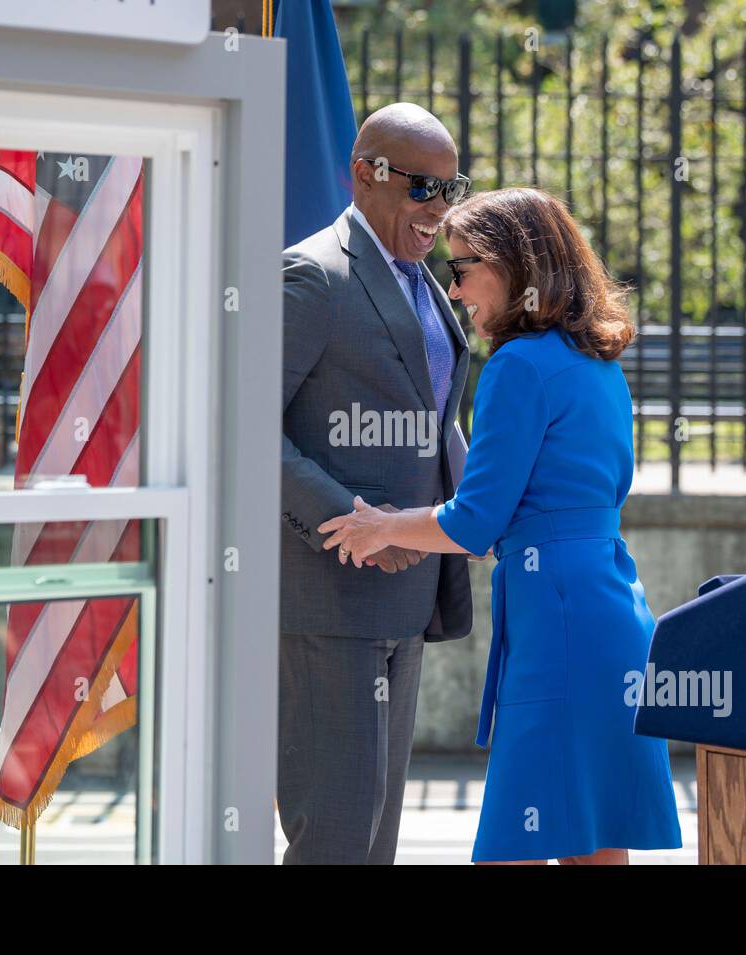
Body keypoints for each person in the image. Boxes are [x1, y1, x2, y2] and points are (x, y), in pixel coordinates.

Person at [320, 187, 683, 865]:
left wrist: (384, 526)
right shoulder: (599, 363)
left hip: (559, 627)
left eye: (461, 270)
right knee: (594, 845)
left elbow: (476, 521)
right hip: (612, 609)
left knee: (516, 846)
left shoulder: (517, 365)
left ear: (515, 266)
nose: (454, 292)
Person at [278, 102, 475, 864]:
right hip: (329, 598)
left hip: (407, 595)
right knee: (334, 838)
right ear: (365, 173)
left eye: (450, 188)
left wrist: (475, 511)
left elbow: (434, 420)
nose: (439, 208)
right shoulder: (314, 275)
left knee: (375, 843)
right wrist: (352, 523)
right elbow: (242, 427)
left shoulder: (424, 282)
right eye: (422, 187)